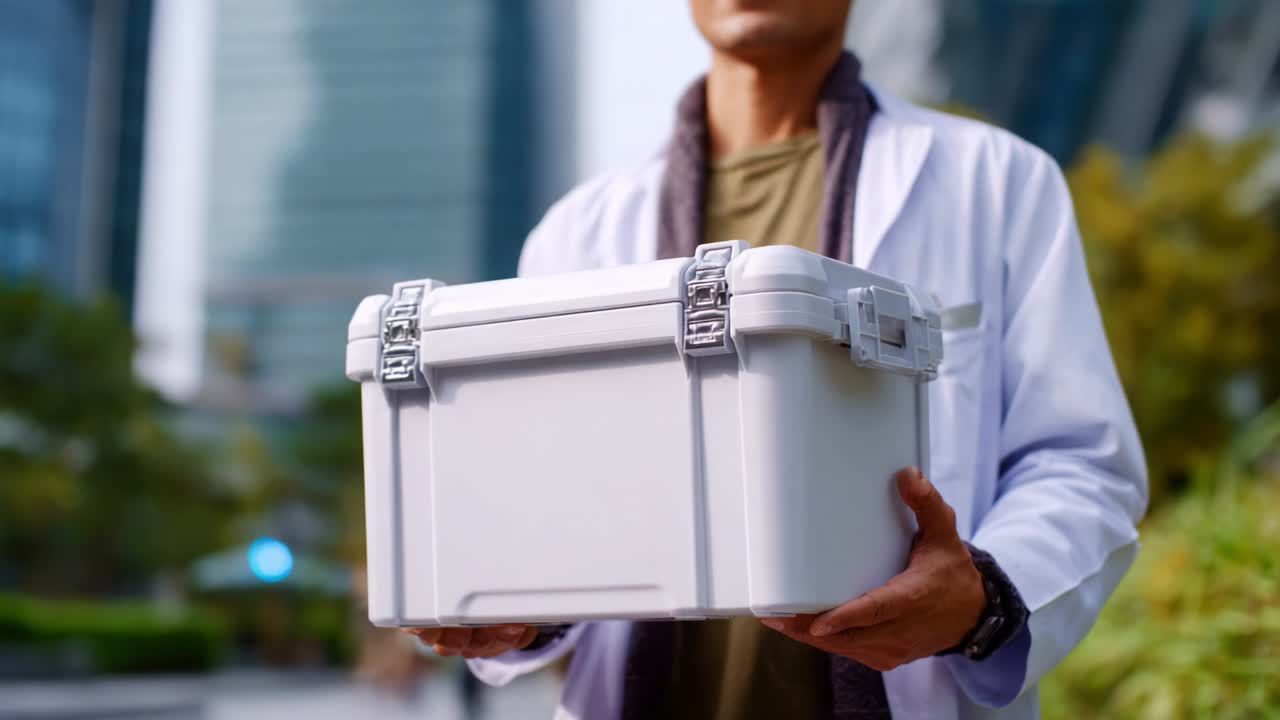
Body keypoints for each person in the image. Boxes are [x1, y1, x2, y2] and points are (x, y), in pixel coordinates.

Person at [404, 0, 1148, 717]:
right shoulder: (575, 236)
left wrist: (985, 600)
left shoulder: (996, 183)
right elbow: (551, 499)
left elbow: (1081, 460)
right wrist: (522, 615)